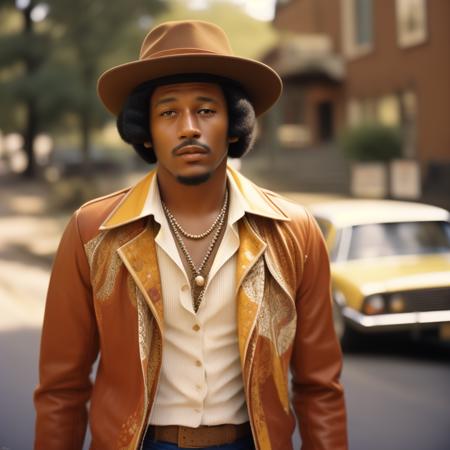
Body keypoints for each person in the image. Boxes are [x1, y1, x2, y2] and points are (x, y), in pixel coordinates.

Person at [34, 20, 347, 450]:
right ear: (146, 132)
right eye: (168, 112)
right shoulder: (92, 232)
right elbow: (61, 389)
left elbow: (320, 388)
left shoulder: (295, 232)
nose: (188, 128)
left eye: (205, 110)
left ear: (234, 124)